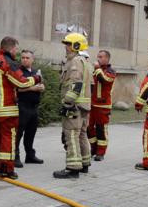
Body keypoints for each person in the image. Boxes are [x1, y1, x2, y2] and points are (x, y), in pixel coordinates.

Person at [0, 36, 36, 179]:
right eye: (16, 49)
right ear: (11, 48)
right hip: (7, 109)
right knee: (8, 138)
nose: (16, 52)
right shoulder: (9, 63)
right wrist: (37, 78)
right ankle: (6, 169)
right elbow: (22, 82)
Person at [53, 32, 92, 180]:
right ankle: (85, 163)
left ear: (76, 46)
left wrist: (68, 103)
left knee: (71, 135)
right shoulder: (86, 61)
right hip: (84, 105)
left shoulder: (75, 61)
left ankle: (73, 168)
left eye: (68, 44)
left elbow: (76, 84)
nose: (66, 47)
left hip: (74, 105)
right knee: (82, 134)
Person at [14, 49, 45, 168]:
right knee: (18, 133)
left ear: (32, 59)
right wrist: (31, 89)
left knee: (31, 133)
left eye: (27, 58)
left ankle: (30, 156)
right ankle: (15, 157)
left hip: (34, 107)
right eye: (23, 57)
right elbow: (17, 89)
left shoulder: (36, 72)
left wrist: (42, 87)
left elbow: (42, 84)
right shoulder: (18, 72)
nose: (25, 60)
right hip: (22, 106)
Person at [87, 49, 117, 161]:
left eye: (100, 57)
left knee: (101, 129)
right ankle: (93, 149)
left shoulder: (111, 71)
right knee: (89, 128)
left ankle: (101, 152)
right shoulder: (97, 70)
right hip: (92, 104)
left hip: (103, 106)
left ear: (107, 59)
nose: (98, 58)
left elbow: (104, 80)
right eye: (97, 56)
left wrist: (97, 69)